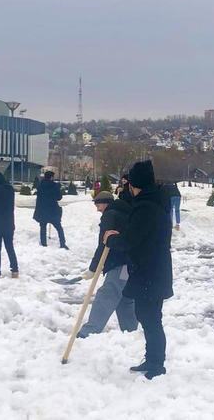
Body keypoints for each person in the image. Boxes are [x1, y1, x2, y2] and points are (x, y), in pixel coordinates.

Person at [104, 160, 173, 380]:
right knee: (147, 315)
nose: (129, 190)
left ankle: (157, 364)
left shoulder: (146, 208)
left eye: (131, 185)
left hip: (150, 271)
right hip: (153, 268)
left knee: (151, 318)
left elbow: (131, 240)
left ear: (137, 185)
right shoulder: (154, 202)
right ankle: (152, 358)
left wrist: (112, 239)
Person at [77, 190, 137, 338]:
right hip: (129, 261)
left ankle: (89, 331)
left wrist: (93, 268)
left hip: (120, 262)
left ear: (105, 203)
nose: (97, 208)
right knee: (124, 297)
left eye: (98, 204)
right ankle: (131, 332)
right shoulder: (122, 212)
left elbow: (103, 244)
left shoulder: (110, 215)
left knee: (107, 294)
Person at [34, 170, 67, 248]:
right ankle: (62, 243)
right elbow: (59, 198)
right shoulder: (55, 186)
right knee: (59, 227)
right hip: (52, 210)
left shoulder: (40, 185)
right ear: (51, 177)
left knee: (43, 227)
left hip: (42, 210)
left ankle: (43, 243)